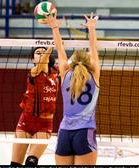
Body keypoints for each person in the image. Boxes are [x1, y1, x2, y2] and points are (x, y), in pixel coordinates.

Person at [46, 12, 100, 165]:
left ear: (72, 61)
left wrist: (54, 27)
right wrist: (91, 28)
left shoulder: (65, 72)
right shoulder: (94, 73)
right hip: (84, 132)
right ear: (88, 61)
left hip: (64, 133)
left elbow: (59, 47)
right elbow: (93, 49)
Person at [10, 47, 60, 166]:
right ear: (33, 59)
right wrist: (50, 47)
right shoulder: (33, 71)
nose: (42, 54)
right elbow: (42, 63)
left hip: (45, 124)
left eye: (44, 52)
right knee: (15, 164)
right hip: (26, 121)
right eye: (38, 53)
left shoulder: (56, 73)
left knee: (31, 162)